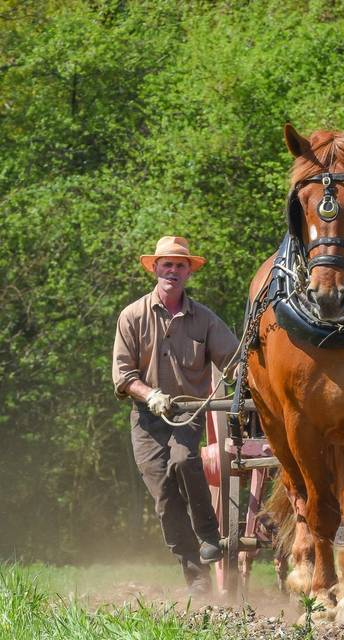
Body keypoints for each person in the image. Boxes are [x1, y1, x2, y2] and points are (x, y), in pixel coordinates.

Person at [112, 236, 239, 594]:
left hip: (187, 413)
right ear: (154, 268)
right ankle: (195, 575)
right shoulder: (132, 316)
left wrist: (253, 380)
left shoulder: (206, 320)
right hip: (147, 417)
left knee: (183, 460)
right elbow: (123, 376)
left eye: (180, 265)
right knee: (165, 497)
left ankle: (209, 533)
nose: (173, 271)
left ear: (188, 273)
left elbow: (233, 363)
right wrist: (149, 394)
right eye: (166, 264)